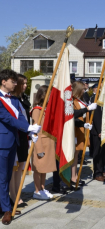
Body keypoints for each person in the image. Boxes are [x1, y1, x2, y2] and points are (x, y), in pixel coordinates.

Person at [0, 69, 41, 225]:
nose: (15, 84)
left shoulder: (15, 100)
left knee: (7, 177)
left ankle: (5, 205)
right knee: (3, 178)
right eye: (13, 81)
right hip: (2, 143)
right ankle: (6, 209)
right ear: (4, 81)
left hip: (13, 142)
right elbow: (6, 118)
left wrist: (29, 132)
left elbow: (19, 118)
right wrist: (28, 129)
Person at [31, 85, 56, 200]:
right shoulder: (37, 110)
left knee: (45, 168)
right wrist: (39, 148)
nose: (51, 96)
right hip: (41, 143)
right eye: (49, 94)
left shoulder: (46, 109)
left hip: (48, 143)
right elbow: (36, 131)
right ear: (42, 95)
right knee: (39, 169)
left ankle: (42, 188)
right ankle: (37, 191)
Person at [9, 74, 31, 206]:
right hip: (16, 134)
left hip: (24, 135)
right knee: (14, 168)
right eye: (23, 83)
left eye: (26, 83)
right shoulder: (12, 100)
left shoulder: (23, 99)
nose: (25, 86)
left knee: (21, 166)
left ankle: (17, 192)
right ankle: (13, 195)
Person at [71, 81, 96, 189]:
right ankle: (72, 177)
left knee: (76, 154)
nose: (84, 91)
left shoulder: (80, 99)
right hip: (74, 130)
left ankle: (75, 176)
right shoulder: (72, 100)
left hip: (81, 128)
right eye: (83, 89)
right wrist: (87, 109)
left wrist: (84, 124)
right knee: (73, 155)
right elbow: (73, 114)